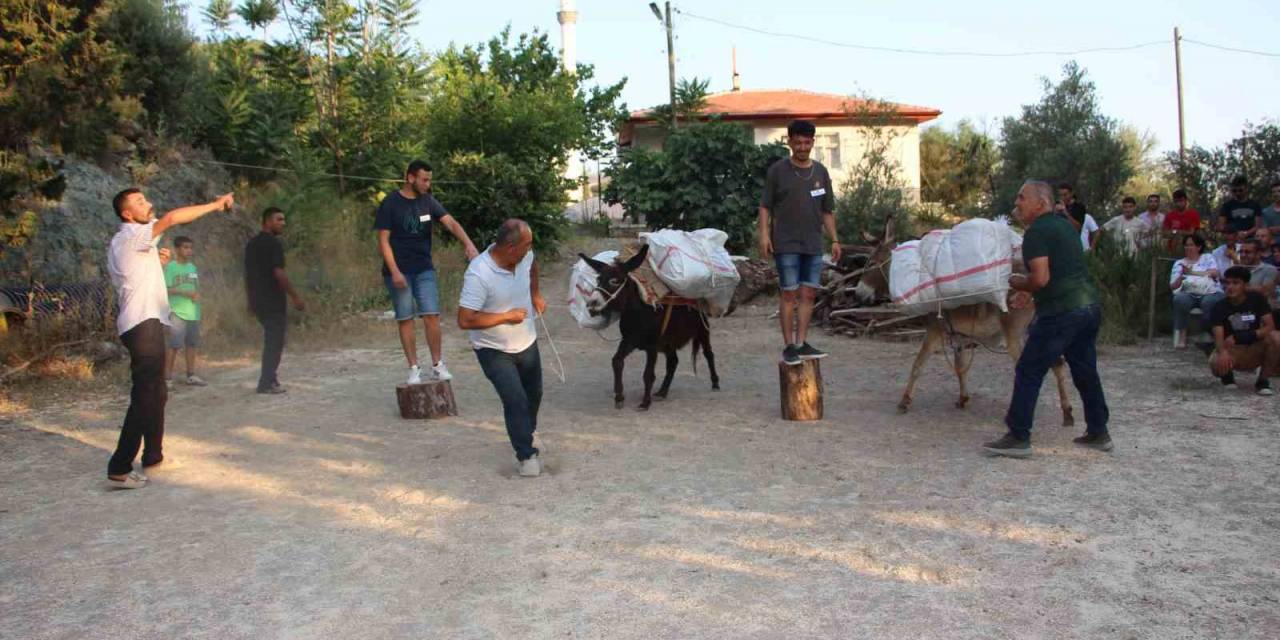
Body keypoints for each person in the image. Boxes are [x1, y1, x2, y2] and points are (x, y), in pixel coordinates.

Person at [105, 188, 234, 489]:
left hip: (143, 322)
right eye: (140, 202)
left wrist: (158, 264)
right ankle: (120, 467)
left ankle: (153, 456)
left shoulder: (126, 242)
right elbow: (174, 218)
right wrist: (215, 205)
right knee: (146, 393)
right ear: (127, 214)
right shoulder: (132, 235)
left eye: (146, 199)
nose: (148, 204)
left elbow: (135, 277)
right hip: (142, 323)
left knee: (157, 391)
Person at [983, 180, 1111, 458]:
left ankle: (1018, 436)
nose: (1016, 203)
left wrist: (1018, 283)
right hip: (1088, 307)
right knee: (1085, 370)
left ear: (1040, 203)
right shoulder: (1064, 226)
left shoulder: (1036, 233)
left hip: (1061, 312)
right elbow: (1060, 269)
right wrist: (1029, 294)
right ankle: (1099, 431)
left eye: (1022, 198)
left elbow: (1040, 278)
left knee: (1028, 369)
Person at [457, 219, 547, 477]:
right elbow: (465, 320)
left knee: (534, 394)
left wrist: (535, 294)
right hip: (493, 348)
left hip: (526, 341)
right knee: (515, 399)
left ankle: (527, 432)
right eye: (527, 245)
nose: (530, 249)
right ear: (510, 247)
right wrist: (505, 316)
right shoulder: (479, 274)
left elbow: (533, 267)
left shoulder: (525, 257)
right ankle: (526, 455)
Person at [376, 160, 480, 384]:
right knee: (406, 318)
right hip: (399, 271)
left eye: (429, 180)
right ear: (410, 178)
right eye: (424, 180)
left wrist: (468, 243)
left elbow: (451, 223)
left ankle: (437, 364)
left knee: (432, 315)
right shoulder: (390, 203)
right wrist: (394, 271)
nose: (427, 184)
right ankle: (413, 368)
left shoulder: (428, 201)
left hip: (424, 268)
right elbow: (383, 241)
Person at [758, 119, 841, 366]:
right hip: (785, 244)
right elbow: (765, 206)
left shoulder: (821, 172)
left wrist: (835, 239)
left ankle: (802, 342)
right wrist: (764, 235)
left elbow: (827, 210)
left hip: (813, 244)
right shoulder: (778, 171)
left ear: (813, 142)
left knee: (808, 293)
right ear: (790, 142)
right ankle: (789, 347)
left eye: (807, 142)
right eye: (798, 143)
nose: (802, 147)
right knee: (788, 294)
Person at [245, 207, 305, 394]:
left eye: (283, 219)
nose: (283, 223)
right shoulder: (273, 244)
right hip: (272, 299)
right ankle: (266, 382)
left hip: (258, 299)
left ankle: (271, 378)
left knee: (272, 340)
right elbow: (279, 273)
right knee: (274, 342)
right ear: (267, 221)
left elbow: (247, 275)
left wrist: (250, 300)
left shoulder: (252, 244)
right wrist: (295, 296)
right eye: (279, 219)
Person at [1208, 266, 1278, 396]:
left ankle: (1263, 381)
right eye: (1227, 283)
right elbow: (1218, 337)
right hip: (1233, 350)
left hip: (1254, 346)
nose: (1230, 287)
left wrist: (1243, 336)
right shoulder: (1219, 306)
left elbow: (1270, 327)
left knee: (1275, 338)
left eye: (1235, 283)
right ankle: (1227, 377)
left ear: (1245, 285)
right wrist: (1222, 353)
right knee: (1215, 361)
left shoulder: (1257, 299)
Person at [163, 235, 206, 387]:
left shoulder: (192, 268)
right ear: (177, 249)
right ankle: (167, 378)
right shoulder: (171, 267)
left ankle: (191, 375)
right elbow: (166, 289)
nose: (189, 251)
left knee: (192, 344)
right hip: (177, 311)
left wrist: (197, 295)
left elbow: (196, 287)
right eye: (185, 247)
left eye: (190, 248)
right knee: (174, 345)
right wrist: (184, 292)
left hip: (193, 311)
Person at [1170, 234, 1225, 350]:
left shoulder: (1207, 258)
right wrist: (1181, 277)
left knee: (1209, 302)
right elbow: (1173, 286)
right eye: (1186, 245)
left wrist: (1192, 273)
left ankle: (1209, 333)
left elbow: (1215, 273)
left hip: (1210, 290)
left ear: (1199, 247)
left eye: (1191, 245)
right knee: (1180, 299)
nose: (1188, 248)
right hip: (1189, 292)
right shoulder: (1179, 263)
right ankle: (1182, 336)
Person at [1239, 238, 1279, 309]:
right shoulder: (1236, 269)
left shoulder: (1270, 269)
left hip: (1264, 308)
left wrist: (1240, 287)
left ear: (1258, 254)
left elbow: (1265, 292)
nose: (1243, 255)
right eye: (1241, 252)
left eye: (1247, 252)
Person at [1163, 189, 1202, 253]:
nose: (1178, 204)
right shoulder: (1169, 215)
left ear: (1186, 201)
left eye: (1181, 201)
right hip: (1172, 246)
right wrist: (1177, 232)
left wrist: (1175, 231)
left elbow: (1191, 232)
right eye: (1176, 201)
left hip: (1189, 245)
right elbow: (1165, 233)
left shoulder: (1193, 214)